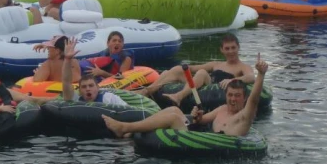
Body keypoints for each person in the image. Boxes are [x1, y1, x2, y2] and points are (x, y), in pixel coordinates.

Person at [103, 56, 268, 138]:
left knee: (175, 118)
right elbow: (201, 121)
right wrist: (197, 115)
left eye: (237, 96)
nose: (233, 99)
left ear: (243, 99)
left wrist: (261, 74)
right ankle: (134, 131)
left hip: (217, 147)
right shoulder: (223, 109)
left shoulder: (245, 116)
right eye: (230, 95)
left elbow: (254, 99)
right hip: (205, 138)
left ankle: (126, 128)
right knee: (175, 109)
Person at [144, 33, 255, 106]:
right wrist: (182, 66)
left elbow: (251, 77)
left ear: (238, 47)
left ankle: (179, 96)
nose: (230, 51)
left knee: (202, 73)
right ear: (222, 50)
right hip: (204, 86)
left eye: (233, 48)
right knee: (175, 70)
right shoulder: (216, 64)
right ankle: (147, 92)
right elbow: (192, 68)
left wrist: (233, 81)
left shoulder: (242, 67)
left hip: (216, 90)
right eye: (227, 48)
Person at [62, 38, 129, 105]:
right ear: (79, 91)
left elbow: (127, 112)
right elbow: (66, 82)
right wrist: (67, 59)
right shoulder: (75, 100)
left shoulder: (109, 98)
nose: (88, 89)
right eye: (84, 87)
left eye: (91, 86)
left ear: (97, 88)